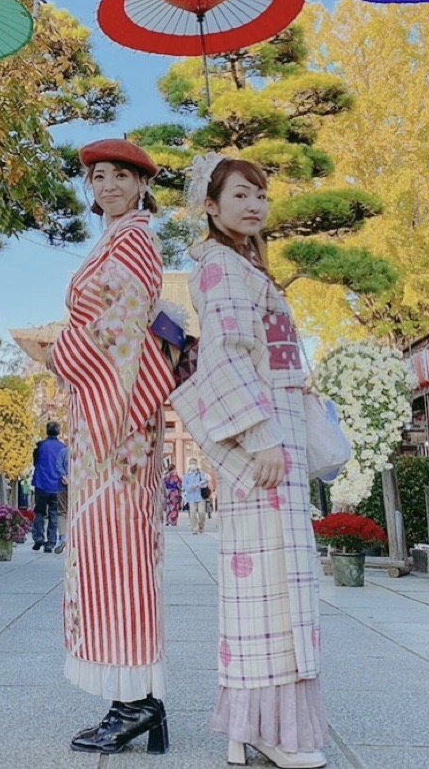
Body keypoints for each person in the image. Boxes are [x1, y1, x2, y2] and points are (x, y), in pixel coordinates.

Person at [170, 155, 328, 769]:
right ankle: (271, 730)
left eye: (261, 195)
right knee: (272, 585)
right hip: (266, 444)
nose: (255, 205)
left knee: (267, 584)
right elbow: (228, 358)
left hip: (272, 439)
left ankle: (249, 727)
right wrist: (260, 435)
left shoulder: (235, 266)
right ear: (210, 206)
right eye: (240, 194)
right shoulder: (223, 269)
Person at [48, 139, 175, 755]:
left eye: (121, 177)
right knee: (105, 553)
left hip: (117, 424)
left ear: (141, 185)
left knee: (120, 553)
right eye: (98, 177)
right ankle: (134, 697)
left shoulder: (135, 239)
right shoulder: (112, 239)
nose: (108, 186)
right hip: (101, 420)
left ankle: (136, 703)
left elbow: (122, 325)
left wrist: (65, 352)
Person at [31, 421, 68, 552]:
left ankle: (38, 537)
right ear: (58, 432)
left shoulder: (41, 446)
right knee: (54, 514)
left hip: (41, 484)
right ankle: (51, 543)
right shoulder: (63, 448)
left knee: (39, 512)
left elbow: (35, 462)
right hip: (57, 486)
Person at [182, 458, 210, 534]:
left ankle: (201, 525)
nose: (193, 465)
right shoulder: (186, 475)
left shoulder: (201, 473)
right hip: (190, 496)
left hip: (200, 496)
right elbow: (183, 486)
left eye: (194, 463)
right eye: (192, 463)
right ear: (189, 464)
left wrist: (198, 484)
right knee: (192, 513)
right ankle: (195, 528)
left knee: (202, 512)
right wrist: (190, 487)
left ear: (197, 464)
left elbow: (205, 480)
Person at [162, 461, 183, 526]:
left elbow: (163, 484)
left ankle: (167, 521)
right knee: (174, 507)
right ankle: (173, 521)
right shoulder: (175, 476)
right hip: (174, 492)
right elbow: (179, 484)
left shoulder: (165, 475)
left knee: (168, 507)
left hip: (167, 491)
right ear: (174, 469)